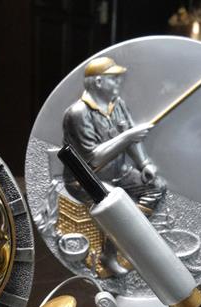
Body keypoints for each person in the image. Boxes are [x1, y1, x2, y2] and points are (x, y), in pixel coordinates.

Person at [62, 56, 161, 275]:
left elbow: (132, 138)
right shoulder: (78, 113)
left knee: (156, 187)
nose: (119, 83)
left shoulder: (118, 105)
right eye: (114, 78)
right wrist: (127, 136)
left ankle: (129, 235)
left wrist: (144, 163)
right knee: (116, 206)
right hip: (85, 180)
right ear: (98, 82)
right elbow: (93, 159)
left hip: (118, 173)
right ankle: (110, 254)